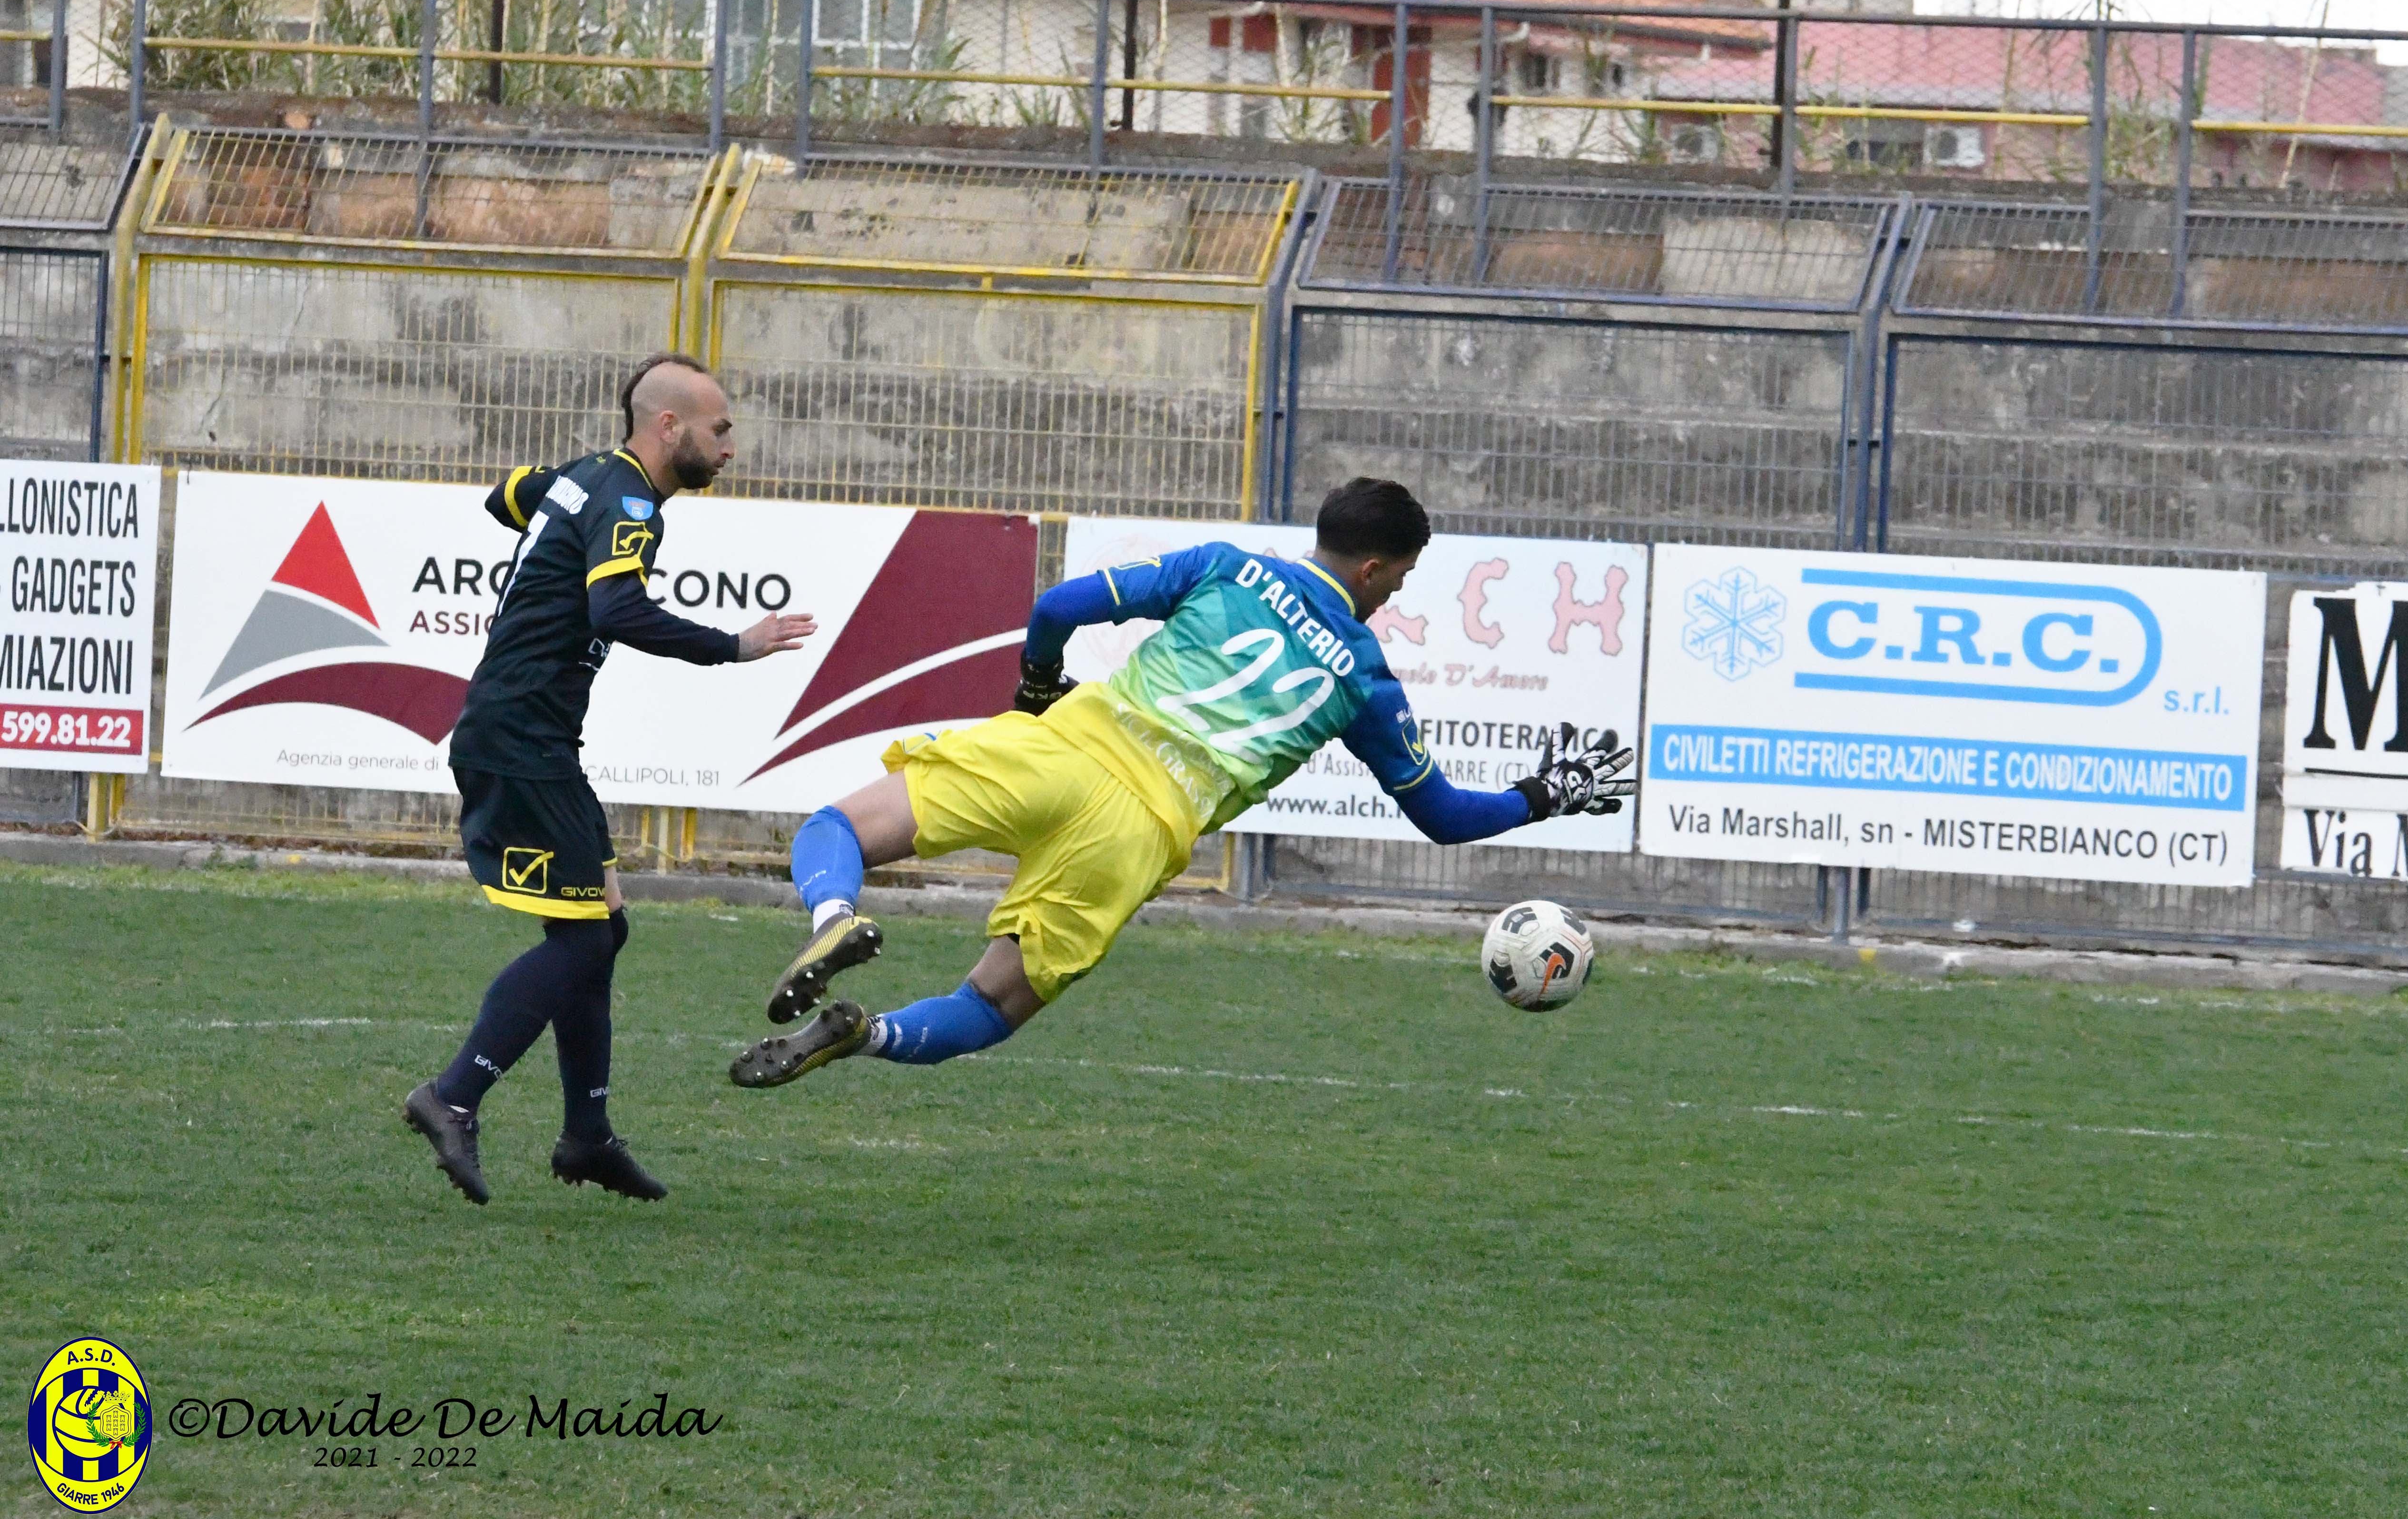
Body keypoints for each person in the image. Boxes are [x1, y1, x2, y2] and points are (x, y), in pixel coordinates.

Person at [729, 476, 1634, 1090]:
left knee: (838, 829)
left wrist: (1038, 688)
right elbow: (1444, 816)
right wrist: (1548, 792)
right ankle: (868, 1034)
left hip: (1068, 748)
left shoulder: (1227, 567)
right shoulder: (1365, 678)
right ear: (1371, 569)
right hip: (1142, 833)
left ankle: (832, 916)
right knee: (993, 1004)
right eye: (1399, 577)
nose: (1394, 593)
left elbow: (1056, 608)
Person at [403, 354, 816, 1205]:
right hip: (519, 741)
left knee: (604, 927)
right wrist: (736, 646)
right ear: (669, 426)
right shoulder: (629, 502)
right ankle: (452, 1096)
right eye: (719, 429)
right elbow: (617, 609)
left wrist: (560, 507)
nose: (729, 447)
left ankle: (586, 1137)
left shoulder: (589, 476)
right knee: (584, 941)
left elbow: (504, 499)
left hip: (532, 735)